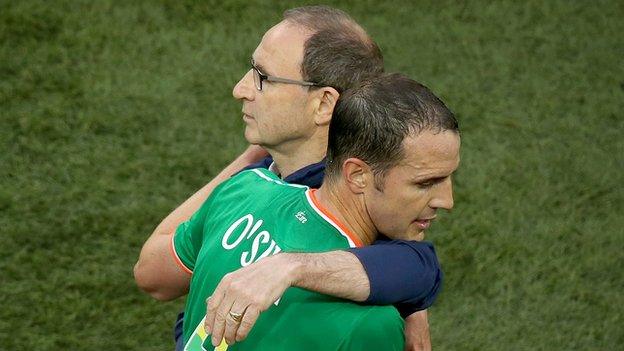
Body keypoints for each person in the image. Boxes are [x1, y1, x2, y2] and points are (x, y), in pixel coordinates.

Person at [135, 6, 441, 350]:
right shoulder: (259, 182)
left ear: (324, 104)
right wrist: (251, 161)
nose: (240, 89)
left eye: (262, 77)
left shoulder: (352, 217)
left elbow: (421, 268)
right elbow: (152, 274)